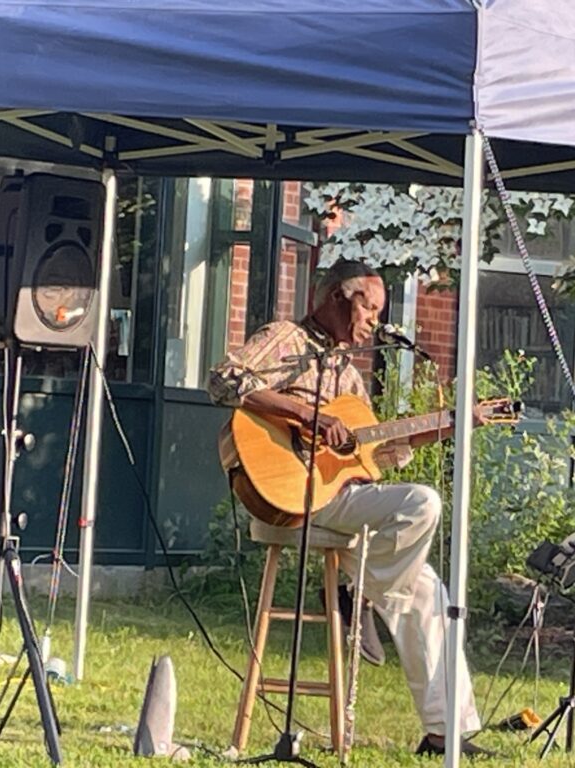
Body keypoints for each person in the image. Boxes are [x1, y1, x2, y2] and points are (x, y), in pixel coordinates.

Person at [207, 259, 489, 756]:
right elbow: (225, 380)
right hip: (290, 493)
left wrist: (454, 423)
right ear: (340, 296)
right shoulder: (286, 339)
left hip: (338, 497)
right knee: (423, 502)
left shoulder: (348, 375)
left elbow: (373, 451)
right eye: (371, 308)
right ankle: (359, 594)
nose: (375, 322)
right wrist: (303, 412)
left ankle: (446, 733)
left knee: (429, 592)